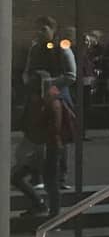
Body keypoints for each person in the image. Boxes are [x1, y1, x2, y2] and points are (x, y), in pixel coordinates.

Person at [9, 70, 71, 220]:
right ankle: (40, 205)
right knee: (18, 177)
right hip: (41, 147)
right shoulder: (39, 100)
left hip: (50, 147)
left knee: (50, 182)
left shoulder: (52, 100)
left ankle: (53, 215)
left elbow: (53, 127)